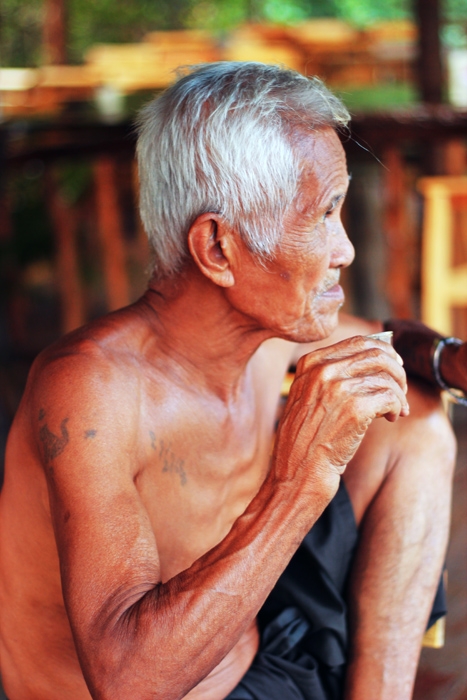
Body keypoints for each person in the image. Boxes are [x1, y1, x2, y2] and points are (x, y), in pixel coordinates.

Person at [0, 62, 465, 700]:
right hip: (151, 681)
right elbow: (129, 681)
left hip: (257, 651)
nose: (345, 249)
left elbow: (389, 336)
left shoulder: (266, 331)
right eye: (322, 215)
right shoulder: (93, 391)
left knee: (417, 417)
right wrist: (302, 477)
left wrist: (447, 358)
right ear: (218, 248)